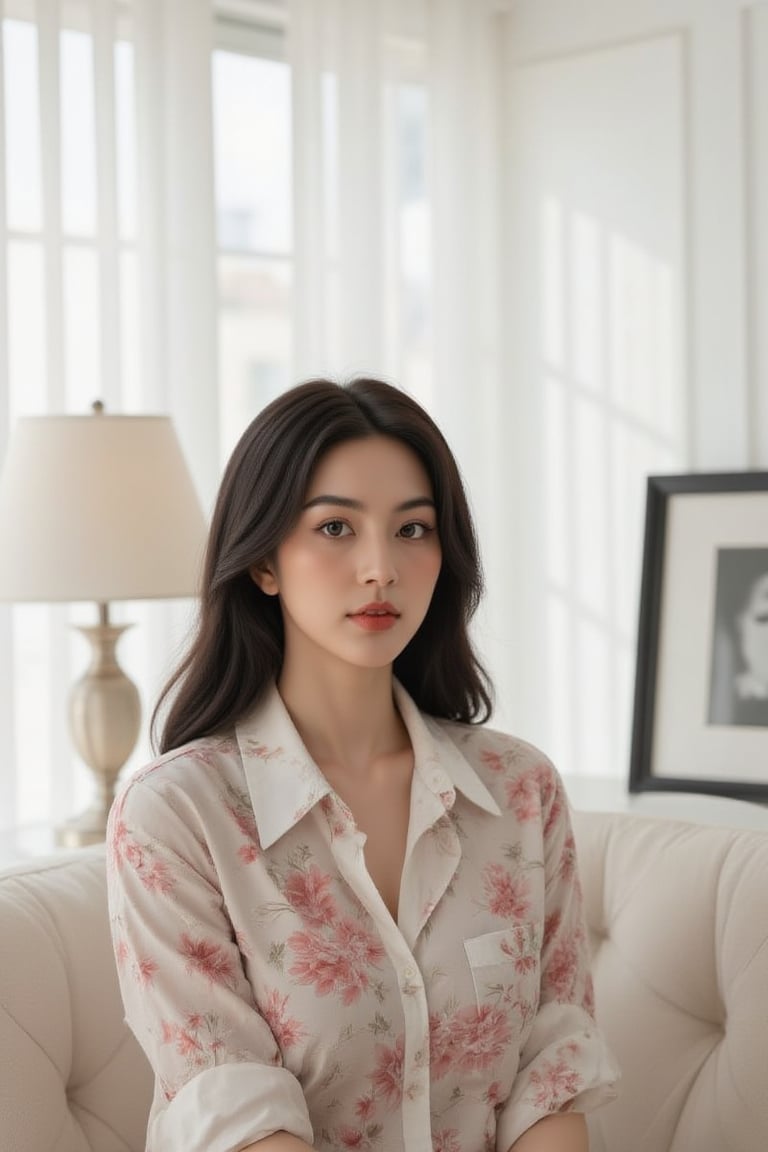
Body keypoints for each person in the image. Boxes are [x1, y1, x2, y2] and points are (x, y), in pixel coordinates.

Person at [107, 377, 619, 1152]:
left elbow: (549, 1076)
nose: (380, 567)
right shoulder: (177, 815)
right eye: (336, 528)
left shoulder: (520, 791)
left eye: (413, 530)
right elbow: (237, 1115)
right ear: (263, 562)